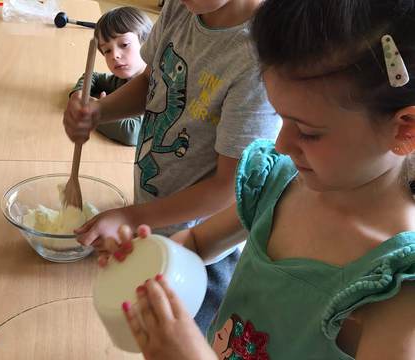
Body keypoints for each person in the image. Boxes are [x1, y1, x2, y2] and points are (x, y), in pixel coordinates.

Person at [104, 0, 415, 358]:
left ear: (405, 129)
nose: (281, 144)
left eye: (309, 132)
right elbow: (196, 243)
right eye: (282, 118)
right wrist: (153, 262)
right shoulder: (280, 182)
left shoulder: (397, 290)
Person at [64, 0, 279, 332]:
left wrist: (132, 216)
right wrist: (99, 111)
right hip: (153, 223)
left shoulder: (259, 59)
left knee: (183, 339)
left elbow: (229, 187)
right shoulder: (184, 8)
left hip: (202, 253)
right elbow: (154, 82)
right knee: (146, 332)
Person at [69, 6, 151, 146]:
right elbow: (93, 76)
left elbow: (132, 133)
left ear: (148, 43)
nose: (115, 55)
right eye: (107, 50)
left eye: (124, 44)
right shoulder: (123, 79)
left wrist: (95, 112)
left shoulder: (154, 84)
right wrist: (78, 93)